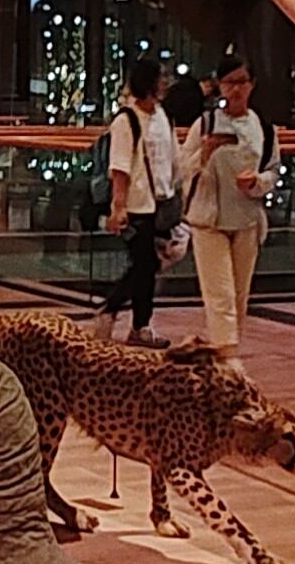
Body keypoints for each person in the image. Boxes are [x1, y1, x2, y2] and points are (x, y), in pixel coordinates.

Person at [179, 52, 278, 366]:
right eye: (229, 82)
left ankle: (223, 353)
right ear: (219, 86)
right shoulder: (205, 124)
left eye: (242, 82)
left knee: (238, 294)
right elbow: (181, 168)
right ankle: (228, 356)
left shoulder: (264, 127)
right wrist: (204, 154)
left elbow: (273, 170)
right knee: (219, 291)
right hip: (209, 220)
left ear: (252, 85)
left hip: (247, 219)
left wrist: (257, 183)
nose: (236, 89)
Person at [86, 56, 177, 347]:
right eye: (161, 77)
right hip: (137, 205)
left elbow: (173, 157)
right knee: (145, 265)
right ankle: (116, 311)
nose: (165, 82)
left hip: (159, 204)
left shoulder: (163, 116)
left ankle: (137, 322)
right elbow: (120, 167)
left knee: (146, 268)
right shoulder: (126, 120)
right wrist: (118, 206)